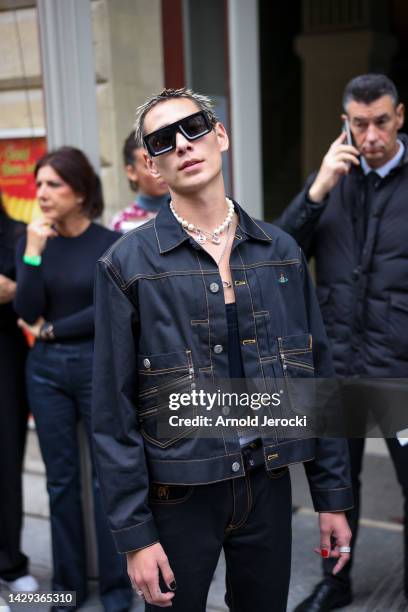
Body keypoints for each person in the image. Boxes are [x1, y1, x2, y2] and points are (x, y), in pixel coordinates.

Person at [92, 88, 353, 612]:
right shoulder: (127, 264)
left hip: (270, 479)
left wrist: (333, 498)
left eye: (193, 128)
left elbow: (318, 382)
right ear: (151, 164)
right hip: (179, 494)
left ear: (221, 135)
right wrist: (137, 536)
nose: (183, 145)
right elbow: (112, 415)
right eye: (163, 140)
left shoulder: (281, 253)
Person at [276, 73, 408, 611]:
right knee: (336, 485)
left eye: (381, 121)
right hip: (338, 362)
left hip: (401, 366)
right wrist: (316, 191)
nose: (371, 134)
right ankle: (337, 581)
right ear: (345, 123)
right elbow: (279, 254)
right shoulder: (329, 180)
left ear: (400, 116)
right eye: (360, 123)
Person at [14, 147, 133, 612]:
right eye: (39, 184)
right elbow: (25, 308)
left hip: (94, 366)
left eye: (53, 185)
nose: (41, 193)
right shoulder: (38, 241)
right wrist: (32, 252)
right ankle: (68, 588)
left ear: (80, 192)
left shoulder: (110, 242)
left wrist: (54, 329)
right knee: (60, 483)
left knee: (109, 480)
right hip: (45, 373)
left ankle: (119, 590)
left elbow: (107, 308)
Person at [0, 196, 38, 605]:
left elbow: (23, 293)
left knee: (7, 464)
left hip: (6, 359)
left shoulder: (16, 233)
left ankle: (11, 563)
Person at [110, 132, 168, 233]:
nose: (160, 171)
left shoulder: (189, 213)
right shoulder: (121, 224)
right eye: (149, 165)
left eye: (163, 162)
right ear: (131, 172)